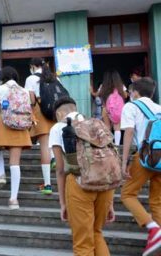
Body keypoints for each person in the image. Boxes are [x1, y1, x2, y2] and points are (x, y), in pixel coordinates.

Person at [50, 96, 115, 256]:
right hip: (105, 184)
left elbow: (60, 169)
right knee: (97, 233)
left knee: (82, 243)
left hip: (80, 184)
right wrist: (111, 202)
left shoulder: (57, 127)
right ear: (76, 108)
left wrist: (62, 203)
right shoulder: (95, 123)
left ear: (59, 114)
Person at [120, 78, 161, 256]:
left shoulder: (131, 106)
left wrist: (124, 161)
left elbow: (129, 132)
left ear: (135, 92)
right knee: (157, 202)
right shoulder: (159, 108)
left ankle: (153, 228)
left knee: (127, 194)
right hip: (160, 159)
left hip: (144, 158)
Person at [0, 66, 32, 209]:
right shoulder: (24, 90)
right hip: (20, 125)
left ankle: (1, 174)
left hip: (4, 123)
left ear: (2, 77)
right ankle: (14, 199)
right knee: (15, 163)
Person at [24, 57, 54, 195]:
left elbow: (30, 99)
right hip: (54, 112)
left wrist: (30, 114)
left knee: (44, 146)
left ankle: (47, 185)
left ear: (32, 66)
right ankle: (54, 157)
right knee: (53, 144)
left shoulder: (31, 78)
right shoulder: (53, 77)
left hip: (40, 110)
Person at [96, 70, 128, 145]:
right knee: (117, 127)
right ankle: (117, 144)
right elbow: (126, 95)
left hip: (105, 109)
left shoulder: (103, 86)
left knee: (107, 126)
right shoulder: (121, 85)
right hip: (118, 109)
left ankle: (109, 144)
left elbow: (97, 95)